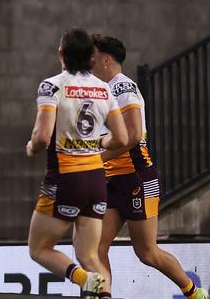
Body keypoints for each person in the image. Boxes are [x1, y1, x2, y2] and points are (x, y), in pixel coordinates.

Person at [91, 34, 209, 299]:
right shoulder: (102, 91)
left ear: (106, 59)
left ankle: (193, 293)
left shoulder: (123, 88)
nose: (90, 62)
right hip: (112, 181)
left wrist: (98, 159)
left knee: (147, 253)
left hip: (137, 179)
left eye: (93, 57)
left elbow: (132, 136)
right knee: (96, 247)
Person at [25, 28, 128, 299]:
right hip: (96, 179)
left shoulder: (52, 86)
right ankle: (99, 287)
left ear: (61, 53)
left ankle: (83, 279)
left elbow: (42, 136)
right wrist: (99, 143)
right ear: (91, 58)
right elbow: (122, 138)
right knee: (89, 255)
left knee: (39, 249)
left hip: (65, 180)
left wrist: (31, 147)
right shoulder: (105, 89)